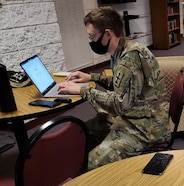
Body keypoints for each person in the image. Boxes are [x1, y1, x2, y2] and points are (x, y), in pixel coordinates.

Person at [58, 7, 170, 170]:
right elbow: (122, 85)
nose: (90, 41)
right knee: (82, 133)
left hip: (146, 127)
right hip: (135, 115)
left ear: (107, 34)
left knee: (91, 163)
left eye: (92, 36)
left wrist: (83, 90)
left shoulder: (129, 59)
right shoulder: (122, 49)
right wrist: (91, 77)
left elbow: (119, 104)